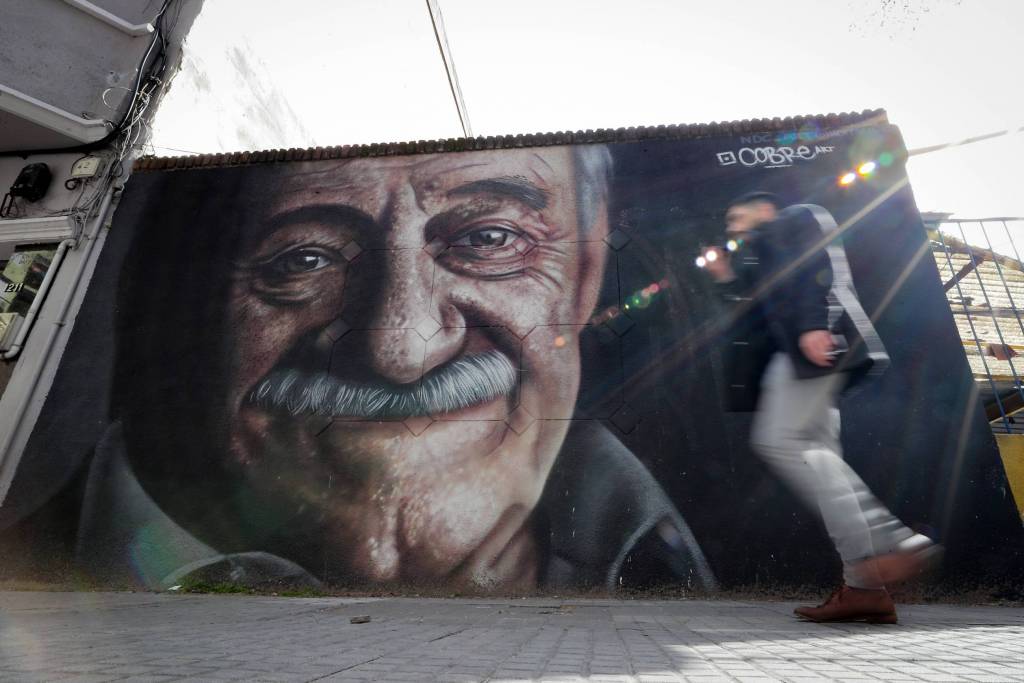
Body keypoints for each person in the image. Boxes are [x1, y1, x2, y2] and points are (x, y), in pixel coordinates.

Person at [54, 146, 716, 593]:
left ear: (585, 276)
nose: (400, 348)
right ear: (176, 292)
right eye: (301, 260)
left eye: (488, 238)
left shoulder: (683, 564)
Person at [703, 191, 940, 623]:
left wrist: (813, 326)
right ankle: (865, 588)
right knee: (821, 458)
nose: (732, 226)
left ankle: (893, 543)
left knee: (781, 442)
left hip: (809, 352)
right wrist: (725, 278)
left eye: (737, 215)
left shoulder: (795, 218)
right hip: (805, 356)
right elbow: (754, 309)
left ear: (765, 209)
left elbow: (816, 267)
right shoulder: (764, 249)